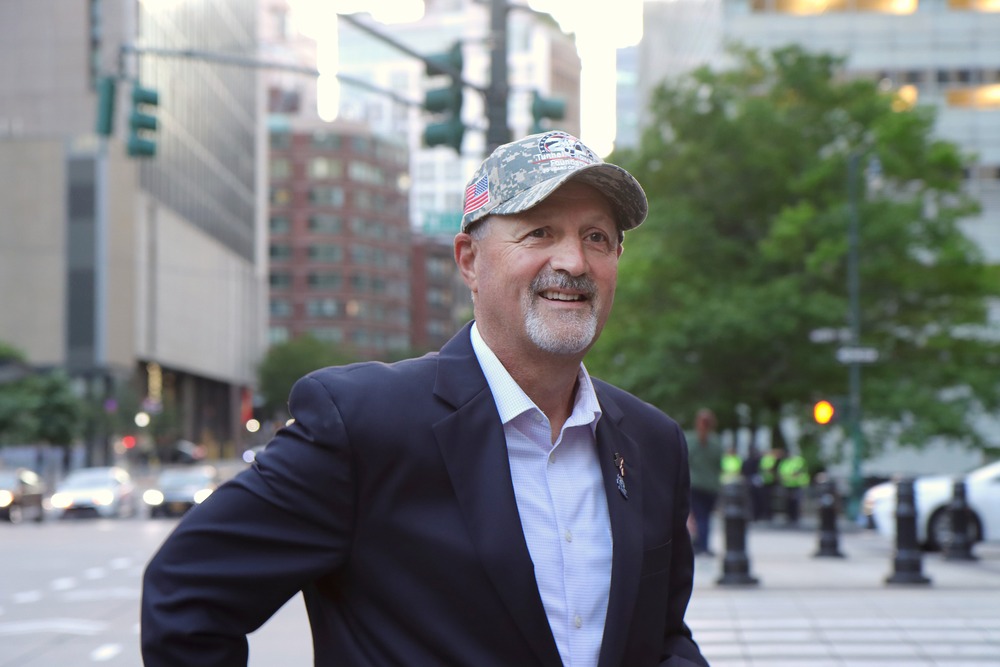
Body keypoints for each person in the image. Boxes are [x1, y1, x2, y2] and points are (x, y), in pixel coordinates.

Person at [140, 130, 710, 667]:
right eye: (539, 232)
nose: (573, 262)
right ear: (469, 260)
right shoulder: (362, 424)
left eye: (597, 238)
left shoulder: (653, 442)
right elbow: (186, 596)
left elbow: (662, 637)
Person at [684, 408, 723, 556]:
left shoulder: (691, 440)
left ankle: (702, 545)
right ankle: (703, 544)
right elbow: (719, 464)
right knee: (706, 516)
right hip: (711, 485)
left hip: (696, 484)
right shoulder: (716, 442)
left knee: (699, 516)